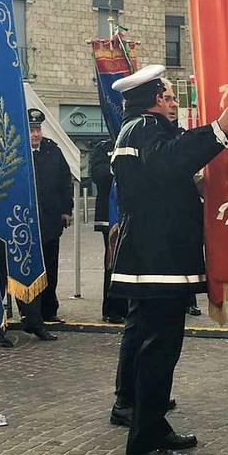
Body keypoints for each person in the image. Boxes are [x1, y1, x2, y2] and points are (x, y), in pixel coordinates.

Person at [108, 65, 228, 455]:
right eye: (167, 96)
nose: (171, 103)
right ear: (151, 99)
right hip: (155, 258)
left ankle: (153, 424)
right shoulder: (143, 129)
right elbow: (170, 161)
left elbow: (167, 172)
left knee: (161, 349)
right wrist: (219, 129)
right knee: (157, 350)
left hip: (158, 257)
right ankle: (143, 443)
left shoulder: (143, 129)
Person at [27, 109, 73, 328]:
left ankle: (49, 310)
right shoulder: (18, 151)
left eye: (37, 129)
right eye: (31, 130)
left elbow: (65, 182)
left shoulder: (52, 150)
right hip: (27, 222)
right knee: (32, 269)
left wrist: (67, 210)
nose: (35, 134)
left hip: (51, 220)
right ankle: (31, 313)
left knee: (50, 268)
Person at [90, 138, 126, 324]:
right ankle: (112, 309)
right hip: (110, 214)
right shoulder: (103, 147)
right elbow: (98, 174)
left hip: (133, 212)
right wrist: (120, 169)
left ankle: (128, 307)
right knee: (113, 261)